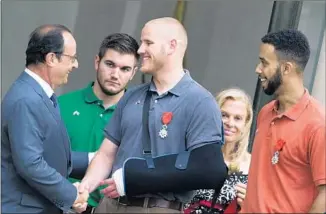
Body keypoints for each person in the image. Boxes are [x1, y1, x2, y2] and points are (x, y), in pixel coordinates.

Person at [77, 17, 225, 213]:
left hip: (158, 208)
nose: (140, 50)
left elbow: (206, 168)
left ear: (172, 46)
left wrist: (140, 178)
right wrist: (85, 187)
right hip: (110, 206)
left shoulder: (200, 102)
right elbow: (106, 154)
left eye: (148, 42)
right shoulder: (131, 96)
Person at [1, 24, 89, 214]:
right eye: (72, 58)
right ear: (51, 58)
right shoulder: (26, 99)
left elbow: (48, 153)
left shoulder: (39, 93)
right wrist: (71, 195)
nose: (75, 64)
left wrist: (93, 160)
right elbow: (31, 164)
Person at [241, 29, 325, 213]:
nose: (258, 69)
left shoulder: (318, 124)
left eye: (264, 63)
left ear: (286, 68)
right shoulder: (265, 112)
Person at [58, 33, 139, 213]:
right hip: (61, 205)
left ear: (134, 72)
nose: (115, 74)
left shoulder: (138, 116)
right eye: (109, 64)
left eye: (125, 69)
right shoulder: (60, 105)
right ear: (97, 62)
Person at [184, 88, 253, 213]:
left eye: (237, 118)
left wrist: (248, 206)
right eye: (224, 115)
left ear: (246, 123)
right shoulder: (194, 154)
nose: (230, 123)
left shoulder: (253, 167)